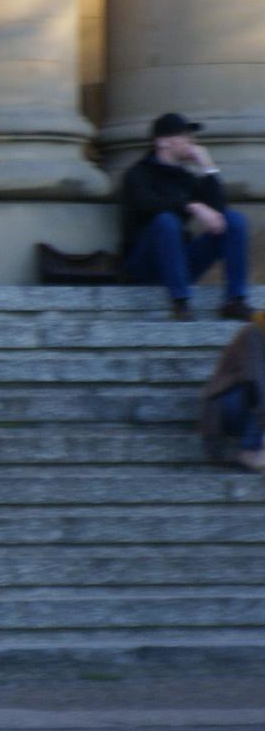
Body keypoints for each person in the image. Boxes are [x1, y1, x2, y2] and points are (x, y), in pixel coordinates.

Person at [121, 112, 253, 322]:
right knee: (167, 221)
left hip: (181, 262)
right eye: (183, 135)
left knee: (234, 220)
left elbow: (219, 210)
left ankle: (235, 301)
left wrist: (207, 168)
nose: (190, 140)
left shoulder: (186, 178)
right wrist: (193, 206)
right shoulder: (137, 175)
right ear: (162, 141)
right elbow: (147, 204)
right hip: (145, 264)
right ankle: (180, 302)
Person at [200, 313, 265, 472]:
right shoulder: (254, 331)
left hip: (250, 411)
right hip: (226, 408)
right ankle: (249, 449)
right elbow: (252, 382)